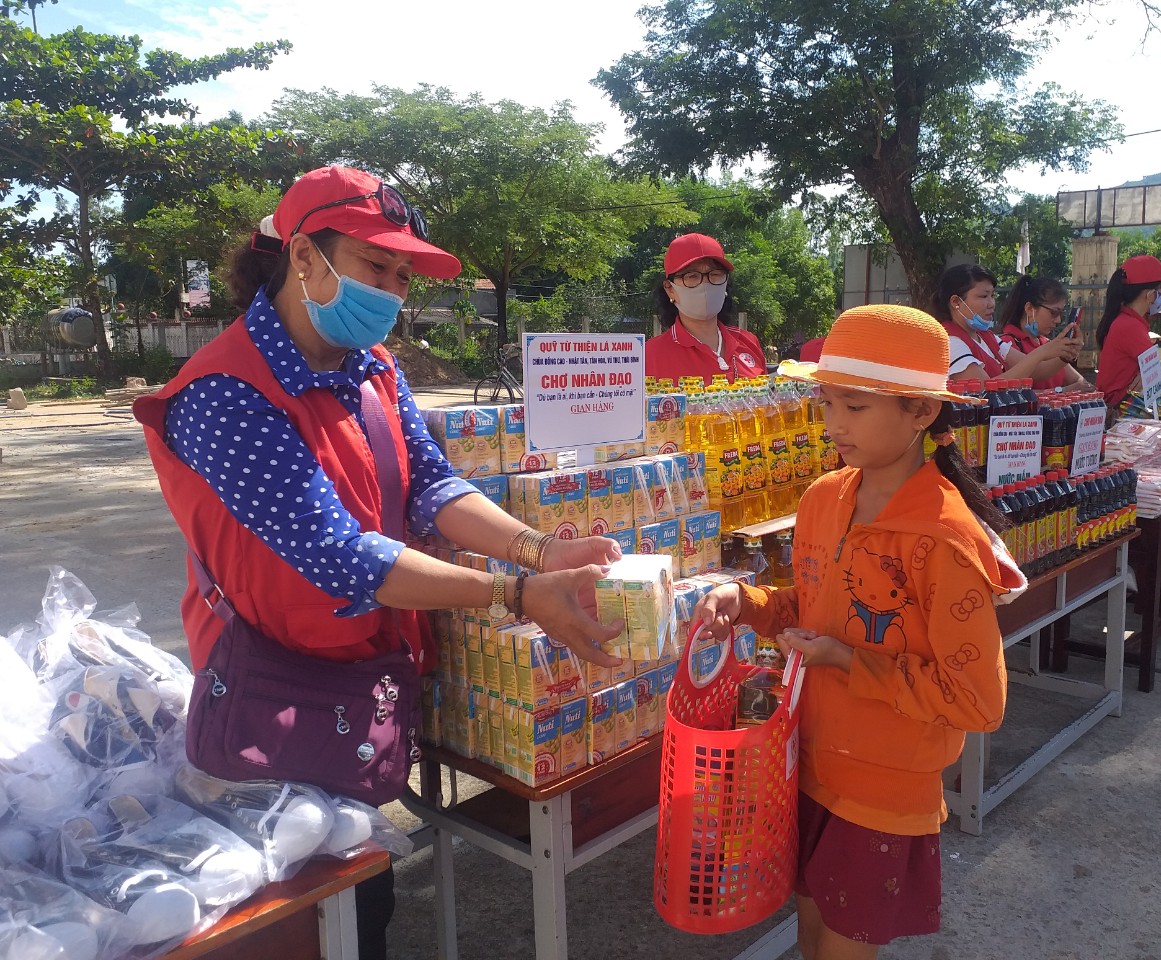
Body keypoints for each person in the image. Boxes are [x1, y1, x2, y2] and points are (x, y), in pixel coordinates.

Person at [133, 166, 625, 959]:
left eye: (402, 275)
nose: (392, 290)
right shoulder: (223, 393)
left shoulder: (372, 367)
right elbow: (338, 555)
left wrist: (542, 549)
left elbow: (431, 484)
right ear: (304, 256)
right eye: (375, 265)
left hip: (368, 672)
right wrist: (518, 592)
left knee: (367, 889)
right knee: (313, 915)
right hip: (274, 690)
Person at [692, 304, 1025, 960]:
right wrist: (747, 601)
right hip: (806, 764)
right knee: (810, 936)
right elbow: (812, 606)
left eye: (855, 406)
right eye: (827, 404)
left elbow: (978, 701)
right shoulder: (824, 498)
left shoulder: (945, 540)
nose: (834, 425)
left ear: (921, 412)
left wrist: (847, 661)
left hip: (883, 789)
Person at [645, 233, 765, 384]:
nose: (705, 284)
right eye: (691, 276)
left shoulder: (749, 342)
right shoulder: (649, 356)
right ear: (670, 289)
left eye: (715, 274)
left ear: (726, 282)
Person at [933, 263, 1081, 386]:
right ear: (956, 302)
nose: (991, 303)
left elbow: (1035, 371)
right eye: (983, 296)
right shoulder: (950, 341)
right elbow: (985, 390)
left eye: (992, 295)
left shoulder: (986, 337)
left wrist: (1065, 354)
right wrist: (1042, 352)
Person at [1094, 254, 1161, 416]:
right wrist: (1150, 373)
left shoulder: (1126, 321)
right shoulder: (1129, 326)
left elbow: (1153, 372)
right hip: (1123, 414)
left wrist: (1148, 373)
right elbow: (1158, 377)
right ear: (1150, 295)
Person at [997, 276, 1090, 391]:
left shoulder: (1046, 343)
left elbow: (1078, 380)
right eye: (1054, 312)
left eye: (1061, 313)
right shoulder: (1006, 344)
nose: (1058, 320)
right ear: (1030, 309)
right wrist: (1065, 391)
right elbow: (1021, 391)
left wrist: (1069, 352)